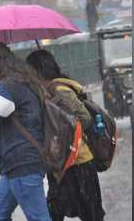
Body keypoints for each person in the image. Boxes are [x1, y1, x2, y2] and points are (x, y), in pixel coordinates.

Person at [0, 43, 52, 221]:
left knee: (39, 218)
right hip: (17, 164)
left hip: (23, 162)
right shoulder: (22, 81)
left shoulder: (7, 87)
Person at [26, 50, 105, 221]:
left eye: (30, 71)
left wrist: (63, 137)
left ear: (37, 71)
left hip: (79, 163)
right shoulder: (47, 91)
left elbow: (84, 118)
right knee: (54, 211)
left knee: (91, 214)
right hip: (61, 164)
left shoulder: (60, 91)